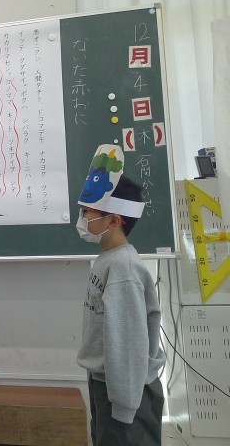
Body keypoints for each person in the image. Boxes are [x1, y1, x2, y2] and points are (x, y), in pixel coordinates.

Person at [75, 144, 165, 446]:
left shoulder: (123, 268)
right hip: (109, 384)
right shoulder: (108, 259)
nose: (82, 218)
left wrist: (125, 406)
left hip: (126, 394)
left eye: (88, 212)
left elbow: (127, 342)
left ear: (114, 221)